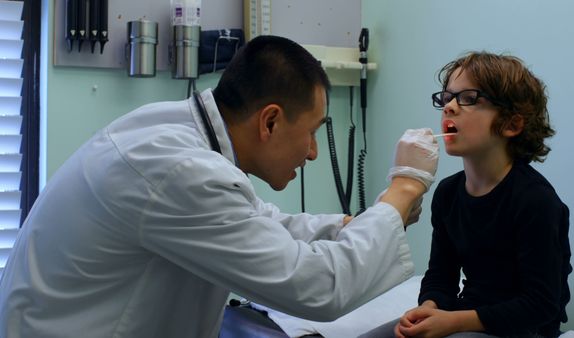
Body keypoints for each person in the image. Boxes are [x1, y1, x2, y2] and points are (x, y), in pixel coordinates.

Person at [0, 35, 440, 338]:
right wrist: (403, 189)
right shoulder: (179, 169)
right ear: (270, 120)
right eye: (311, 133)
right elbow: (318, 287)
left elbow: (262, 222)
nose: (312, 153)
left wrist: (350, 225)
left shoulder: (173, 134)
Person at [394, 52, 572, 338]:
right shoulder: (448, 193)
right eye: (447, 97)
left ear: (512, 124)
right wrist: (430, 308)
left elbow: (541, 304)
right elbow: (441, 274)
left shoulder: (535, 201)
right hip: (469, 315)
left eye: (469, 98)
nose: (449, 107)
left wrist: (453, 322)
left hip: (525, 329)